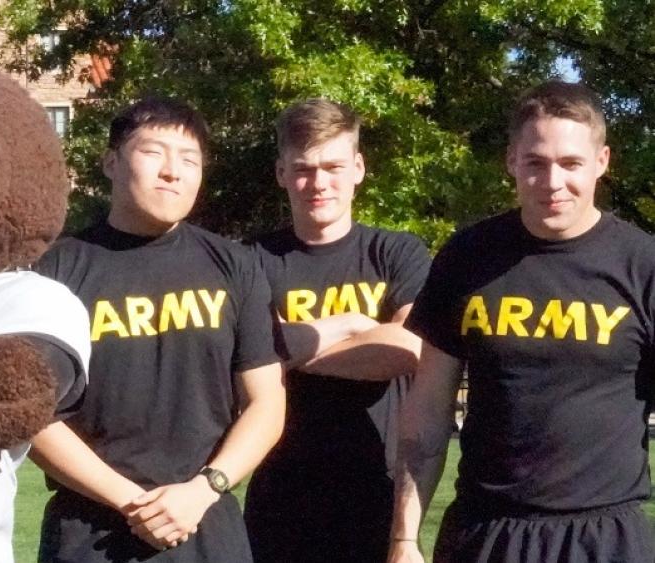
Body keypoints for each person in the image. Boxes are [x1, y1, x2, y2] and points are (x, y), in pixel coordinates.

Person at [391, 81, 655, 563]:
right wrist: (405, 539)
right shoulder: (467, 257)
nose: (553, 181)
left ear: (602, 162)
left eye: (571, 163)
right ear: (512, 161)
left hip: (606, 535)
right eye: (535, 163)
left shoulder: (642, 264)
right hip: (487, 532)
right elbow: (426, 411)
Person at [32, 97, 286, 562]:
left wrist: (204, 489)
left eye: (189, 160)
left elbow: (266, 403)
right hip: (90, 531)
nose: (173, 171)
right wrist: (133, 502)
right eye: (153, 152)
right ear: (111, 162)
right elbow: (32, 415)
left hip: (207, 521)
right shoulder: (55, 271)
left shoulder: (235, 266)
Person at [242, 98, 431, 563]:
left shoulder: (397, 253)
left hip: (378, 496)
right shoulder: (249, 262)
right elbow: (234, 355)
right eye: (304, 168)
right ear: (281, 173)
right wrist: (351, 326)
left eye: (333, 166)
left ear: (359, 168)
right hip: (278, 499)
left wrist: (278, 350)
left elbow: (409, 349)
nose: (319, 183)